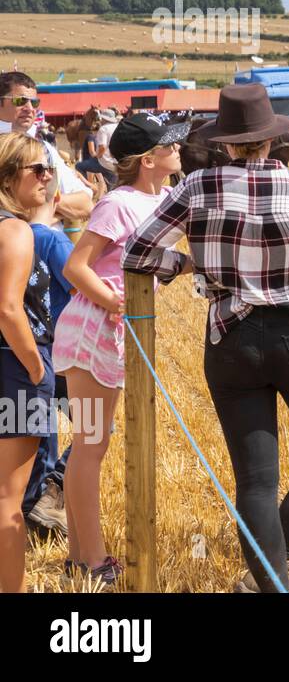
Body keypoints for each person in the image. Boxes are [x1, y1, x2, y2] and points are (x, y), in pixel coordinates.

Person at [124, 83, 289, 592]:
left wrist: (187, 264)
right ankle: (273, 564)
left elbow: (136, 254)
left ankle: (271, 585)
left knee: (255, 481)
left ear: (226, 143)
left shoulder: (196, 187)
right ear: (272, 140)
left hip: (230, 339)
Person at [54, 112, 191, 586]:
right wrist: (110, 297)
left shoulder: (168, 198)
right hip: (92, 332)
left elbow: (158, 258)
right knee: (90, 445)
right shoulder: (118, 204)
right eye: (170, 145)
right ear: (148, 159)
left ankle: (78, 555)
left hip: (115, 331)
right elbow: (77, 266)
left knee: (92, 444)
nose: (179, 150)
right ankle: (92, 560)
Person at [0, 132, 57, 593]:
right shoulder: (14, 231)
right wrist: (36, 369)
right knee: (7, 501)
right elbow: (9, 309)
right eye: (35, 169)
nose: (47, 176)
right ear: (6, 177)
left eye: (49, 168)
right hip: (15, 367)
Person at [20, 188, 76, 538]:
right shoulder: (54, 241)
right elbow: (79, 282)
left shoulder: (16, 234)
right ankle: (54, 488)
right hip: (61, 345)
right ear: (58, 199)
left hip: (28, 347)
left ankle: (36, 506)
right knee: (96, 424)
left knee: (41, 432)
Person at [0, 73, 93, 233]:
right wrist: (55, 211)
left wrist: (41, 206)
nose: (29, 108)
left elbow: (85, 204)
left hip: (47, 251)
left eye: (34, 102)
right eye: (20, 100)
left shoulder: (45, 148)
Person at [76, 107, 119, 187]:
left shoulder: (103, 129)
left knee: (78, 166)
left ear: (104, 119)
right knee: (112, 184)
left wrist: (97, 156)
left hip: (104, 162)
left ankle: (88, 187)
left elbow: (102, 147)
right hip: (117, 162)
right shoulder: (118, 127)